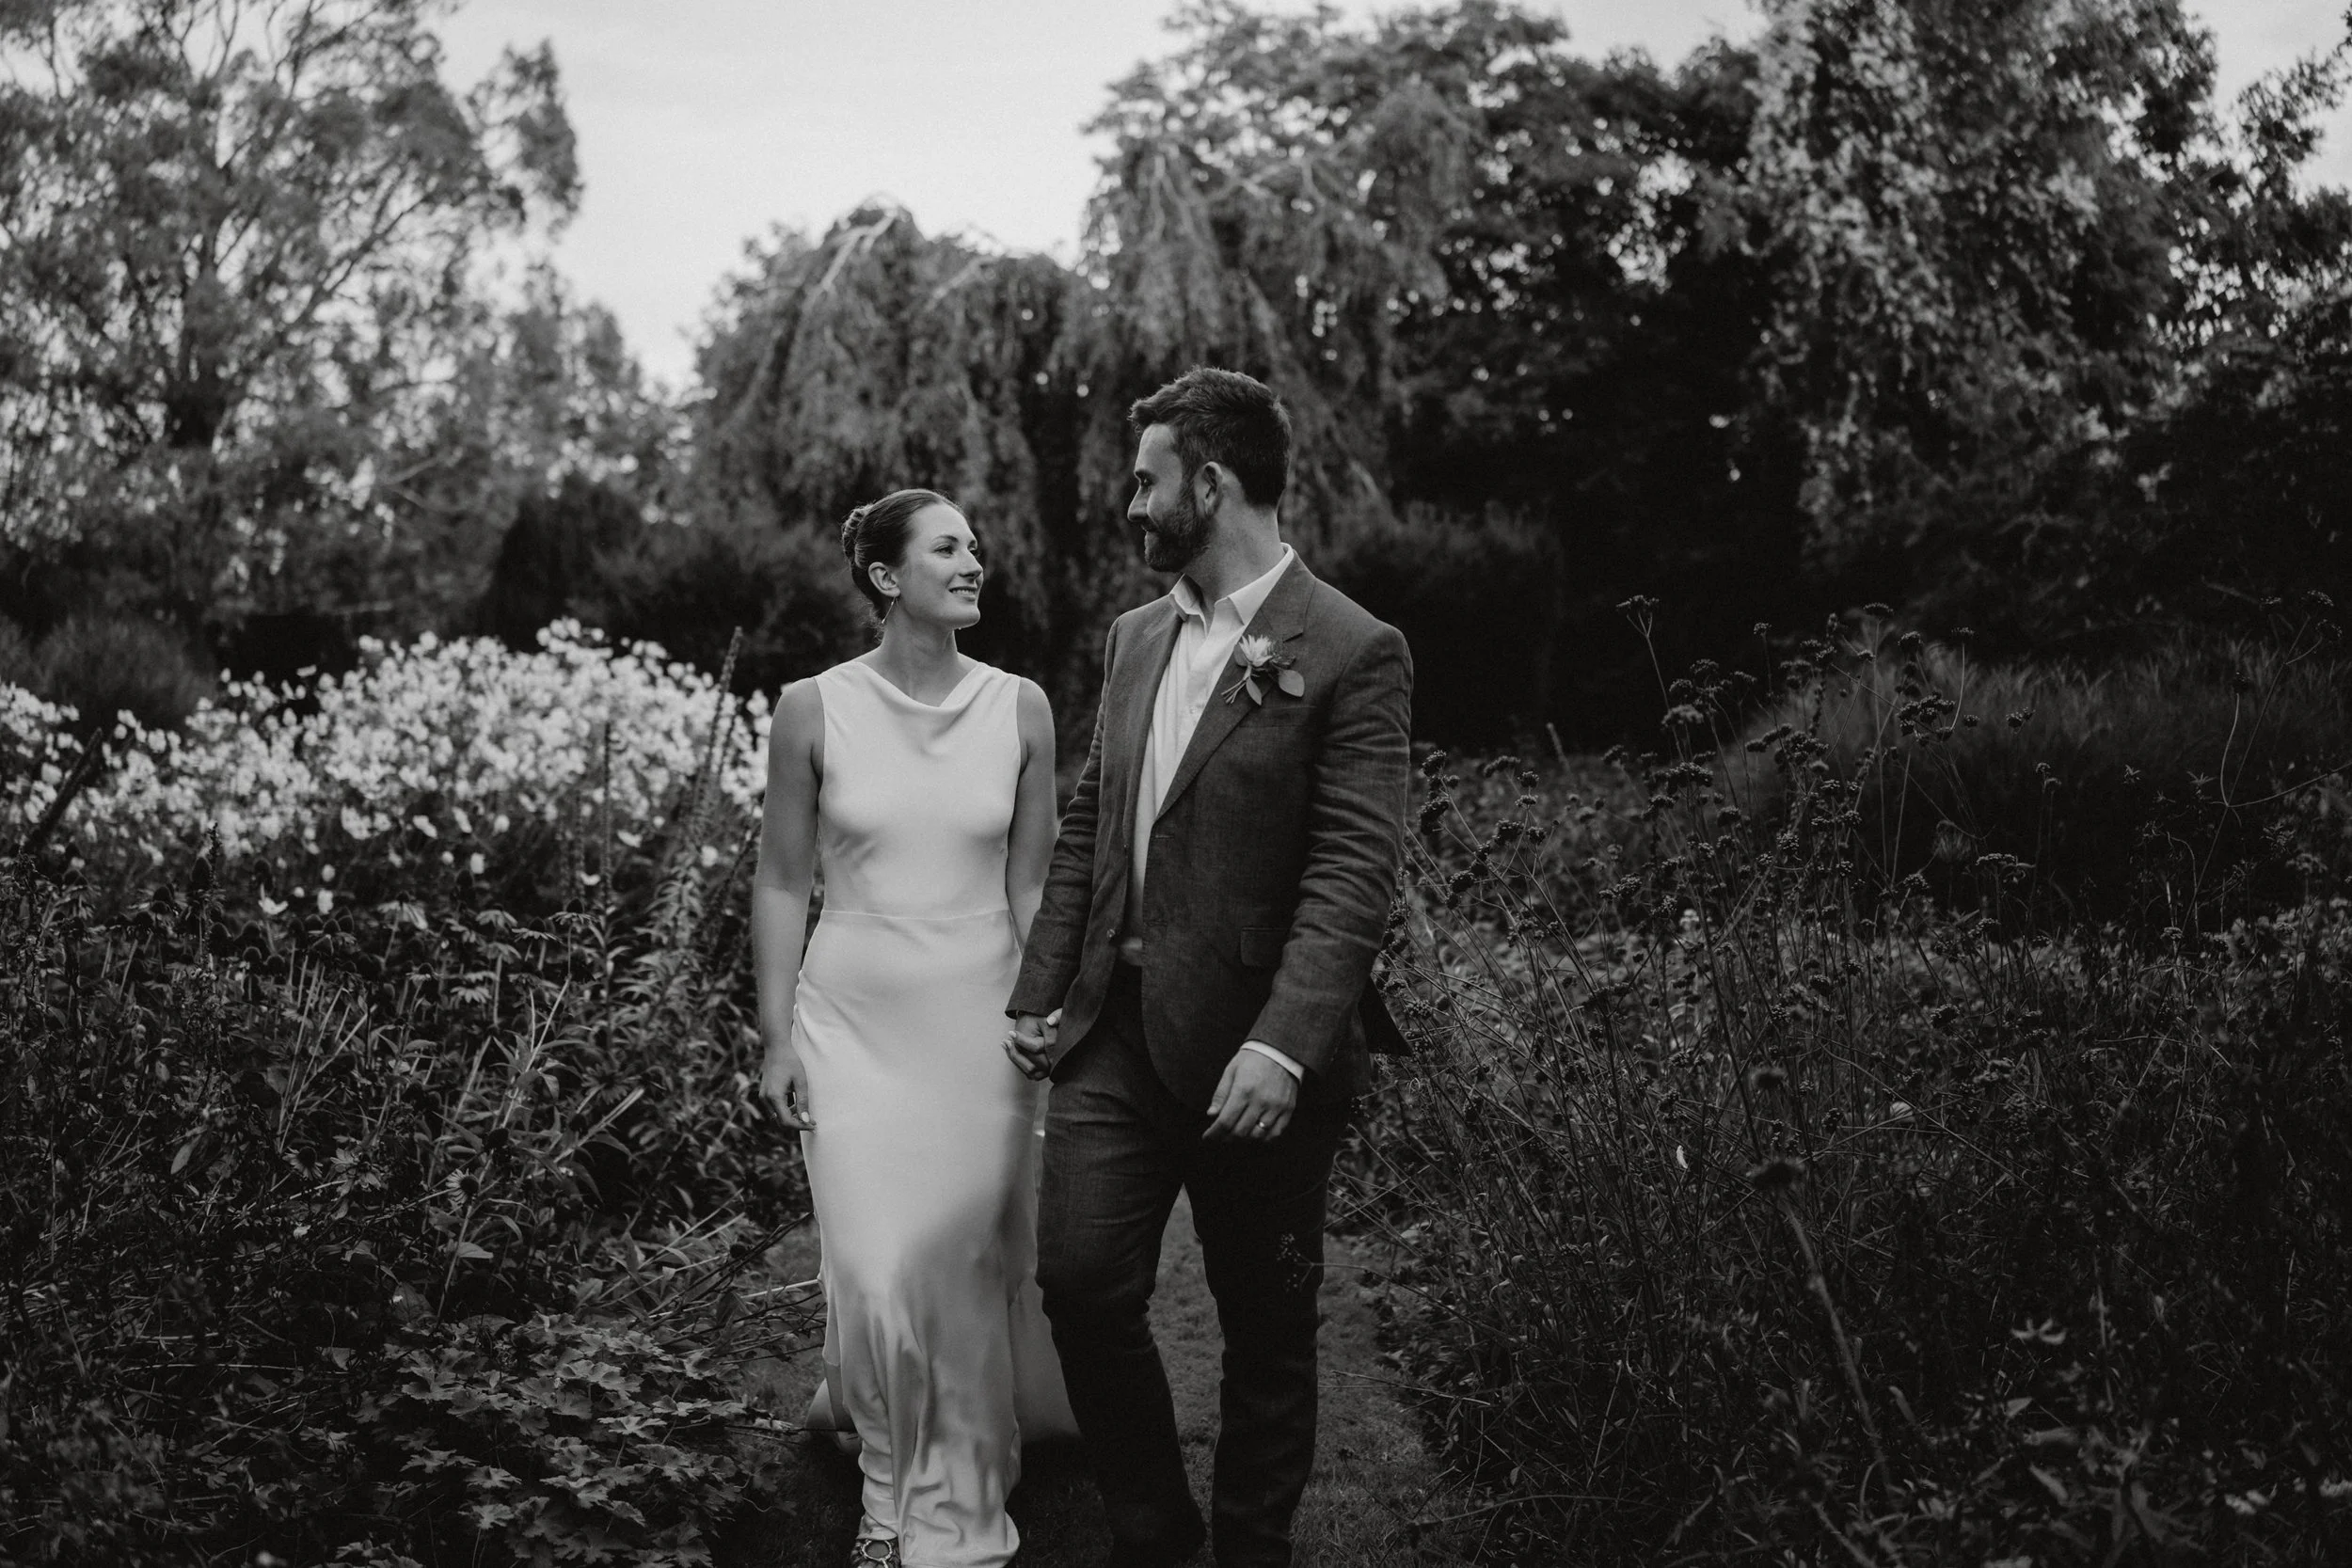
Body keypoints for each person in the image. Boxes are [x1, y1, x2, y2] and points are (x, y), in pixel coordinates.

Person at [1004, 368, 1415, 1568]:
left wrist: (1283, 1044)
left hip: (1254, 1046)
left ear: (1213, 482)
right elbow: (1092, 822)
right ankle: (1153, 1531)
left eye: (1147, 480)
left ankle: (1250, 1547)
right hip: (1115, 1032)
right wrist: (1038, 989)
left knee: (1267, 1325)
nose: (1132, 503)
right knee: (1080, 1281)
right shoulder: (1135, 637)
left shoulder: (1353, 648)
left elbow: (1351, 872)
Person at [754, 489, 1075, 1568]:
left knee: (961, 1265)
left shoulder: (1021, 708)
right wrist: (775, 1037)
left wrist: (1046, 1000)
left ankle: (946, 1494)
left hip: (979, 1025)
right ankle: (890, 1491)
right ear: (888, 576)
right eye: (949, 547)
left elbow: (1031, 884)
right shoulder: (812, 707)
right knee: (874, 1264)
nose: (975, 561)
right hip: (848, 1020)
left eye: (975, 546)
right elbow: (780, 880)